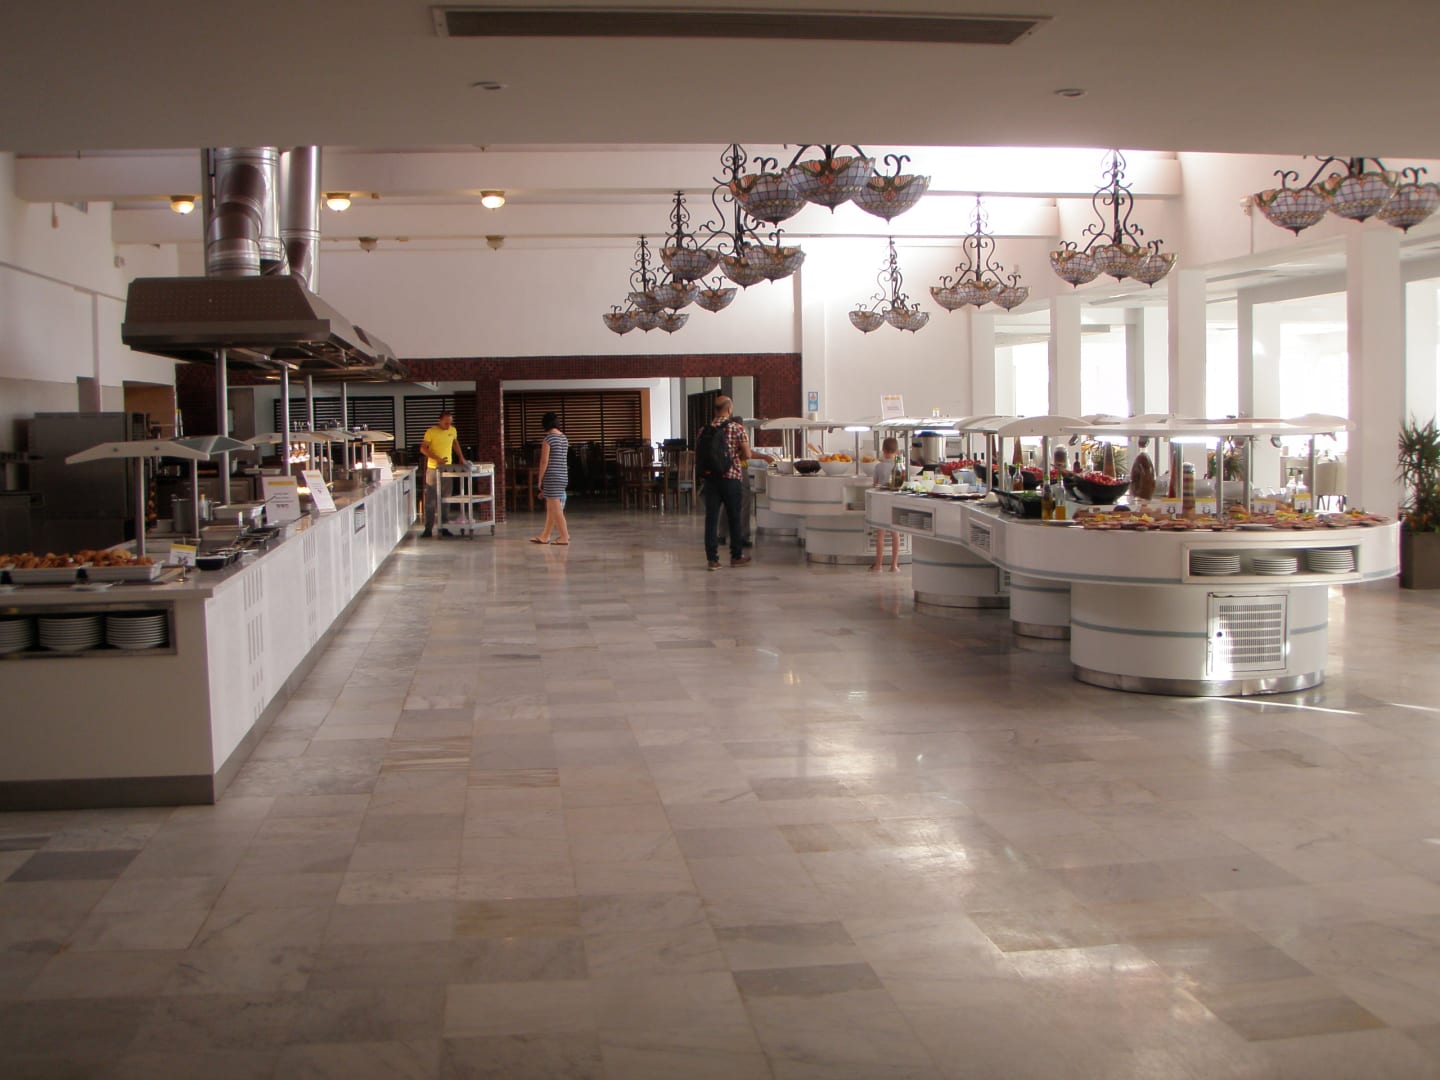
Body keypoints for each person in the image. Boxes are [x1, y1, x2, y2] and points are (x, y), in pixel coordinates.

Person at [698, 395, 753, 571]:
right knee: (734, 517)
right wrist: (735, 457)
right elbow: (748, 454)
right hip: (731, 478)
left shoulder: (704, 430)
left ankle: (712, 560)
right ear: (729, 409)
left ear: (715, 409)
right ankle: (736, 556)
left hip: (711, 479)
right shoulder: (737, 428)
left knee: (711, 519)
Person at [419, 410, 465, 538]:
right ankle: (428, 528)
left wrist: (461, 457)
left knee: (446, 498)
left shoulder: (453, 430)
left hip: (447, 469)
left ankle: (444, 527)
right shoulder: (431, 432)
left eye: (450, 423)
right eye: (445, 423)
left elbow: (455, 443)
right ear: (439, 421)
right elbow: (423, 448)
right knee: (430, 500)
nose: (448, 426)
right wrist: (436, 458)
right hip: (433, 469)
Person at [530, 411, 571, 545]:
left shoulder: (548, 439)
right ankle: (545, 536)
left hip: (552, 477)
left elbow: (544, 461)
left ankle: (564, 536)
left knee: (556, 508)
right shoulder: (564, 438)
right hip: (563, 476)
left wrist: (540, 479)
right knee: (551, 507)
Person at [871, 437, 902, 572]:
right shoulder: (900, 466)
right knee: (895, 534)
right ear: (897, 451)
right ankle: (894, 565)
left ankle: (878, 565)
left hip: (881, 502)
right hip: (895, 502)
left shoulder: (878, 466)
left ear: (883, 450)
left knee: (880, 535)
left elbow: (875, 484)